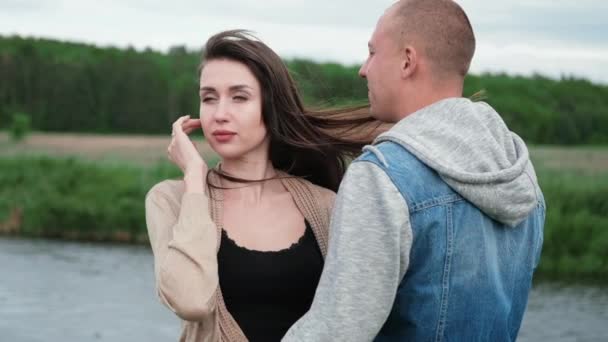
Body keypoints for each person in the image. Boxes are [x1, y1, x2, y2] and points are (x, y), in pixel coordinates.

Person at [282, 1, 545, 341]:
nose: (364, 69)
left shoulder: (383, 175)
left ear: (407, 60)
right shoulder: (521, 179)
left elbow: (336, 330)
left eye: (373, 52)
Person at [145, 30, 382, 342]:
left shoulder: (327, 206)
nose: (219, 114)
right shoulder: (172, 200)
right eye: (208, 98)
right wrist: (194, 181)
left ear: (271, 107)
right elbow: (191, 302)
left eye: (239, 97)